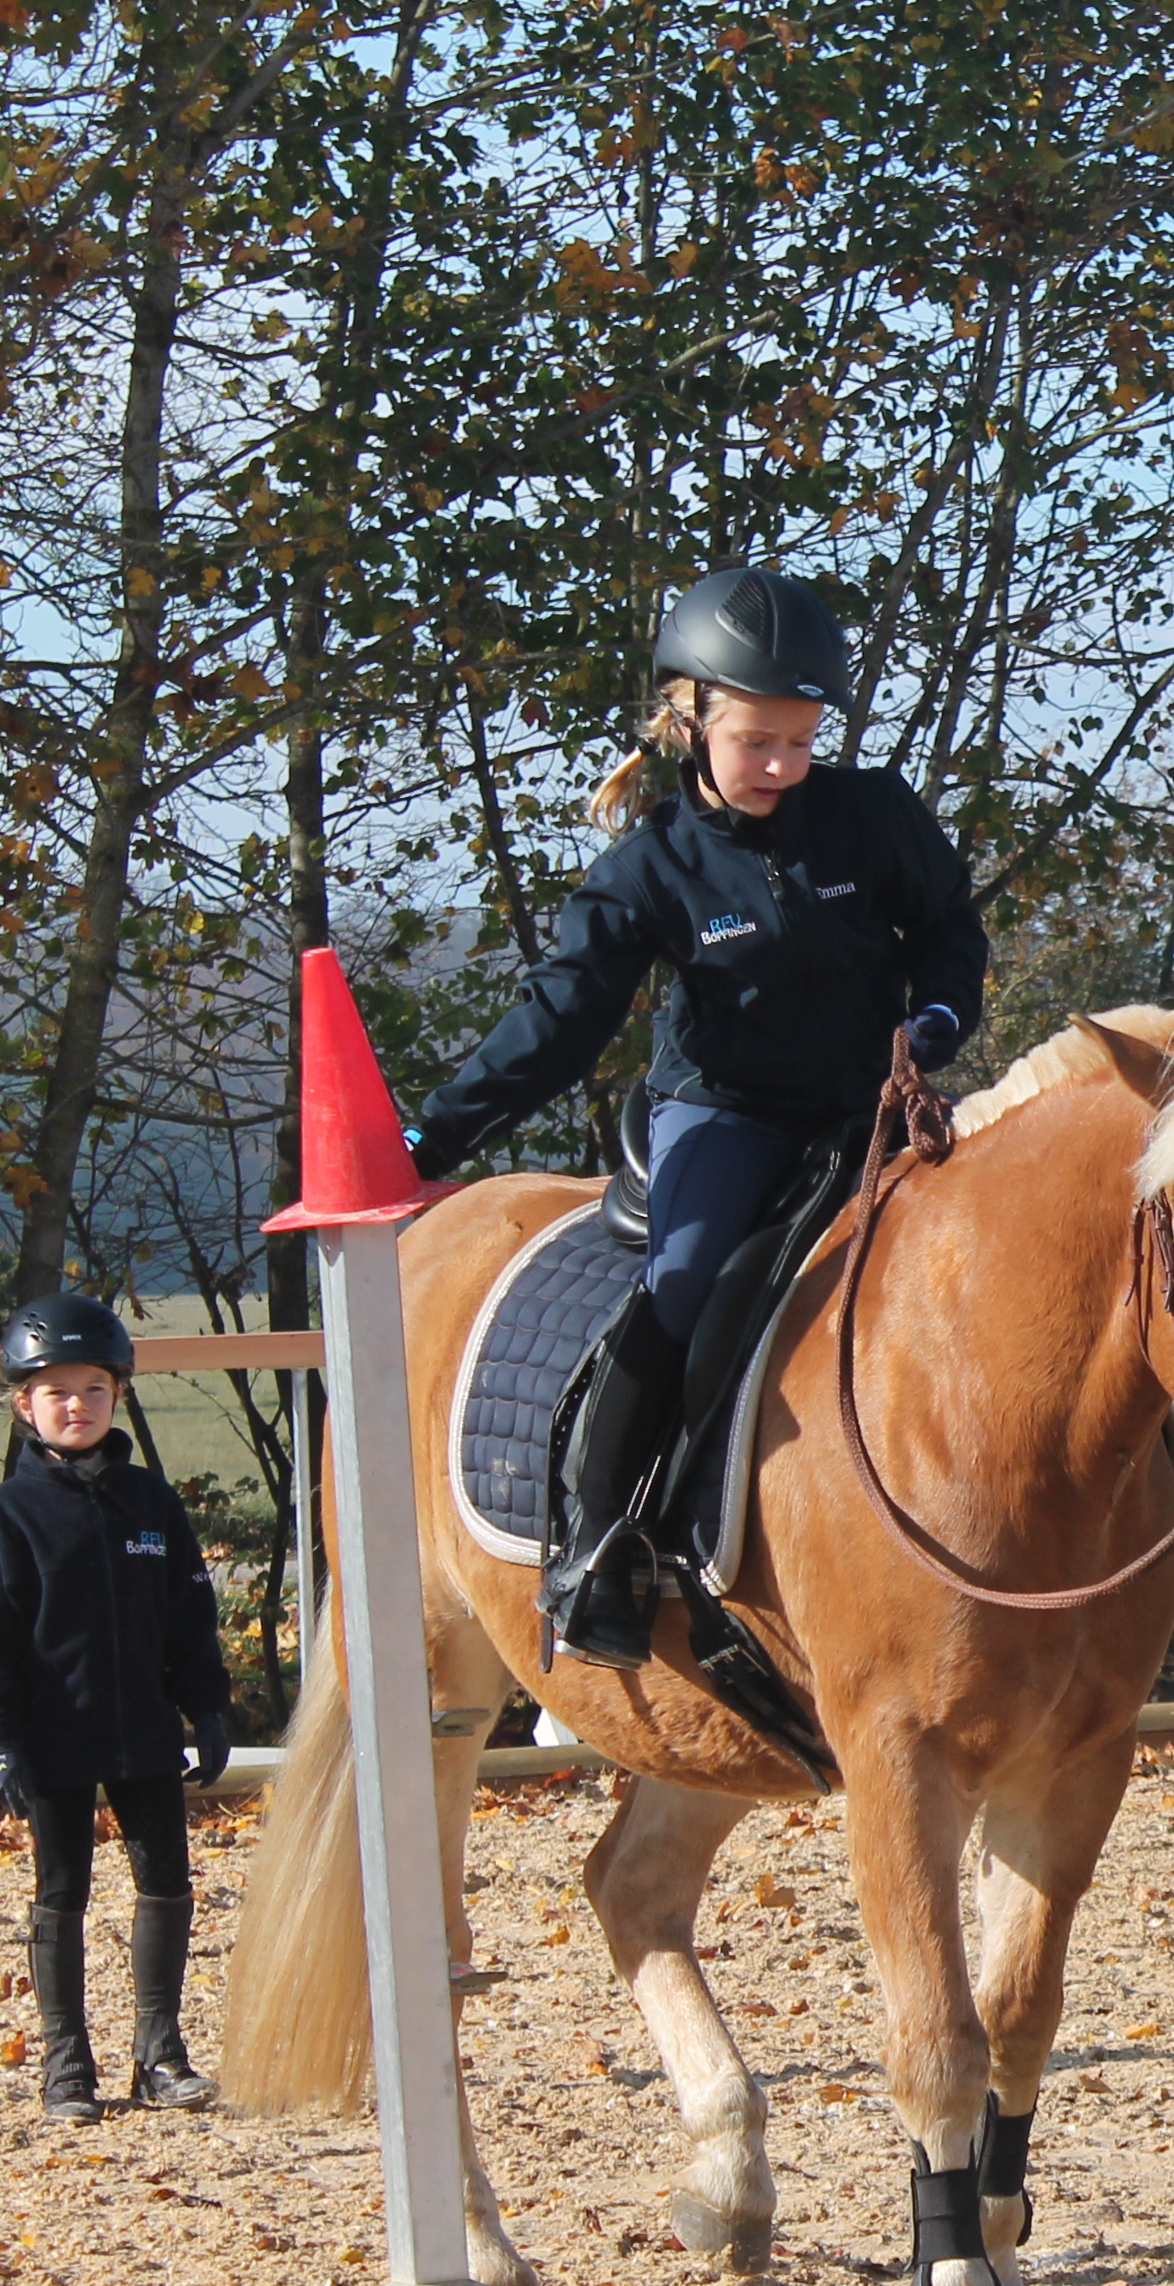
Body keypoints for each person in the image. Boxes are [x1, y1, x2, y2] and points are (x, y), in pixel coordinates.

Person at [401, 565, 988, 1667]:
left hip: (876, 1112)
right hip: (729, 1119)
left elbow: (950, 931)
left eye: (801, 743)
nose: (782, 766)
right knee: (681, 1283)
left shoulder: (872, 818)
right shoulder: (650, 867)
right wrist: (432, 1138)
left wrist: (941, 1016)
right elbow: (559, 1024)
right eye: (757, 742)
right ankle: (594, 1543)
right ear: (690, 721)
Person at [0, 1293, 237, 2124]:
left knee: (167, 1883)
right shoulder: (9, 1517)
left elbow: (189, 1617)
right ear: (24, 1404)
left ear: (119, 1396)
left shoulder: (152, 1505)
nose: (76, 1407)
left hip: (143, 1733)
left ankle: (160, 2051)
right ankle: (67, 2063)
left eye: (93, 1391)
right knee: (60, 1890)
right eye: (57, 1393)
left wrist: (206, 1708)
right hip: (52, 1741)